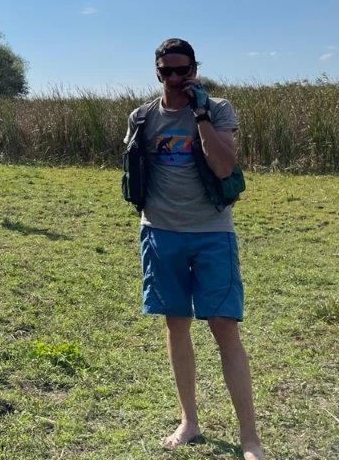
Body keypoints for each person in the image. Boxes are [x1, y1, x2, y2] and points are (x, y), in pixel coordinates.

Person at [125, 39, 262, 460]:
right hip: (160, 232)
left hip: (211, 233)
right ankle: (189, 421)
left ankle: (250, 439)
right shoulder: (142, 117)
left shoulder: (218, 109)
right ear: (157, 72)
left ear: (194, 70)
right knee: (176, 325)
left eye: (182, 70)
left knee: (225, 328)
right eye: (166, 71)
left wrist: (200, 116)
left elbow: (223, 166)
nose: (174, 78)